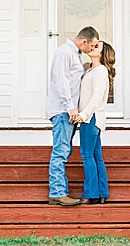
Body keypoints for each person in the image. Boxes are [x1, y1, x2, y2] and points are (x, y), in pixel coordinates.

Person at [46, 25, 99, 205]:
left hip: (68, 111)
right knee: (60, 151)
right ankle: (57, 192)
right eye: (91, 46)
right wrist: (71, 108)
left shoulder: (74, 54)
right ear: (84, 42)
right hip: (63, 110)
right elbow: (61, 82)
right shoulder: (65, 53)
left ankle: (59, 191)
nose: (91, 50)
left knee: (65, 150)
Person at [75, 41, 114, 203]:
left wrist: (83, 114)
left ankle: (90, 194)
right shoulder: (91, 70)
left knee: (87, 156)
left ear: (103, 54)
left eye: (96, 47)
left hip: (91, 118)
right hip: (93, 118)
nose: (92, 47)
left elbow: (96, 97)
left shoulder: (100, 71)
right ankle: (101, 193)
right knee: (96, 156)